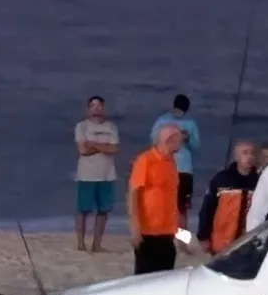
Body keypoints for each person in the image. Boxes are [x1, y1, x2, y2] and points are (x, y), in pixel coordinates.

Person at [128, 124, 185, 275]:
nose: (181, 143)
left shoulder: (171, 162)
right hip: (148, 231)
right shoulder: (145, 160)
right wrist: (135, 226)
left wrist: (180, 227)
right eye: (179, 140)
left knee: (165, 276)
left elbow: (171, 195)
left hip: (167, 231)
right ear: (169, 140)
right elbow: (133, 193)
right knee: (145, 277)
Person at [73, 95, 120, 252]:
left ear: (103, 108)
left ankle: (97, 244)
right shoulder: (82, 127)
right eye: (93, 106)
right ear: (88, 108)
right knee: (83, 210)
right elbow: (83, 150)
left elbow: (114, 149)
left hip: (107, 174)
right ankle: (81, 243)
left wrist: (95, 145)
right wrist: (104, 146)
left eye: (99, 106)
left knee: (103, 211)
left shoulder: (111, 127)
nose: (96, 108)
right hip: (86, 174)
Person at [197, 139, 260, 254]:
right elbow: (207, 209)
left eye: (252, 153)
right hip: (222, 243)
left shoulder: (260, 181)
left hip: (248, 243)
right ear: (236, 156)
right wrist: (203, 236)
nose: (250, 157)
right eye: (245, 153)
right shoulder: (221, 180)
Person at [150, 94, 200, 228]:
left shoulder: (189, 123)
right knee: (165, 205)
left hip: (184, 170)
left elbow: (196, 146)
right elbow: (154, 142)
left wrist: (187, 138)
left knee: (181, 207)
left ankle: (181, 238)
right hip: (166, 167)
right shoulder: (163, 121)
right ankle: (166, 234)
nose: (179, 114)